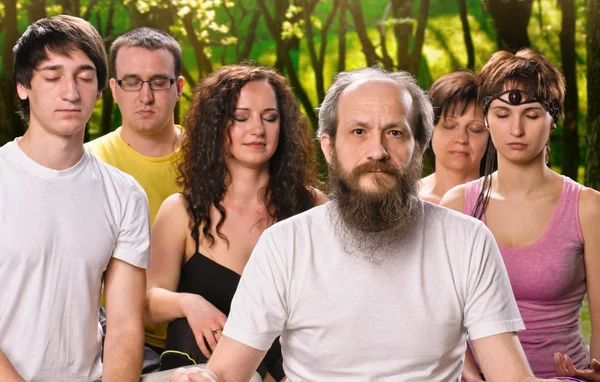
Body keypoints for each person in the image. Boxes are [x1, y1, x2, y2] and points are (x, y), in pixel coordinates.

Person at [168, 66, 564, 382]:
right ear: (328, 146)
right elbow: (225, 372)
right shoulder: (284, 245)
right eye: (358, 132)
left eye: (395, 132)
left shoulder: (468, 240)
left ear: (419, 148)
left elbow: (509, 375)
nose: (377, 150)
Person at [144, 64, 326, 380]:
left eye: (270, 118)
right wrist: (189, 304)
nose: (257, 129)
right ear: (214, 126)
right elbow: (147, 300)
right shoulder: (181, 210)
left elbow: (334, 303)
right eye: (240, 118)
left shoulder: (314, 207)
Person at [0, 15, 149, 381]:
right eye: (52, 77)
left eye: (84, 78)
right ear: (23, 85)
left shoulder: (125, 194)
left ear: (100, 89)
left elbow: (126, 326)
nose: (71, 92)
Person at [441, 49, 600, 381]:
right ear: (485, 118)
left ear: (553, 119)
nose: (515, 129)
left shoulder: (588, 208)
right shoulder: (457, 206)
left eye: (531, 114)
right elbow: (445, 320)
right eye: (502, 114)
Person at [86, 26, 185, 364]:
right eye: (131, 82)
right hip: (107, 339)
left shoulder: (215, 160)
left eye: (159, 81)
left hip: (202, 333)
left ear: (179, 88)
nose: (146, 96)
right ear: (113, 90)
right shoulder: (87, 164)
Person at [419, 70, 491, 204]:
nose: (461, 139)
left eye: (475, 129)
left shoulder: (501, 204)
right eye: (450, 126)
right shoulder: (405, 199)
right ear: (430, 129)